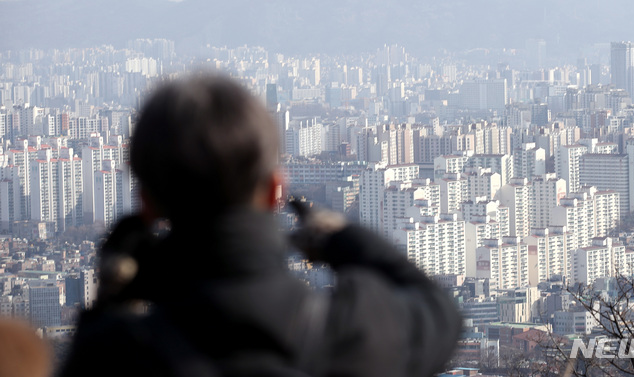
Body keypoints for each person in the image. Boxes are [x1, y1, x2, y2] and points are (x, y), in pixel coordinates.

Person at [59, 74, 461, 377]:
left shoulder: (113, 355)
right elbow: (441, 312)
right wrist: (343, 240)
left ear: (146, 202)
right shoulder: (355, 334)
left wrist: (115, 295)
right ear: (275, 190)